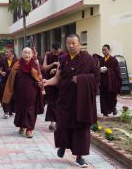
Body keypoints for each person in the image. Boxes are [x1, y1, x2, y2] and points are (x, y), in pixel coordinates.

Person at [43, 34, 99, 167]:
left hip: (82, 101)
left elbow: (96, 78)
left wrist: (82, 79)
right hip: (65, 98)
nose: (71, 45)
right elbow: (57, 78)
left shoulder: (89, 59)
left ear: (80, 44)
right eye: (68, 43)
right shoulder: (62, 59)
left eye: (74, 43)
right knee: (62, 124)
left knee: (80, 128)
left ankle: (79, 157)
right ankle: (63, 144)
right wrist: (47, 82)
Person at [2, 47, 44, 138]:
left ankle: (29, 129)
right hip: (19, 92)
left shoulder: (35, 64)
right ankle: (21, 125)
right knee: (20, 108)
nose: (27, 55)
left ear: (32, 54)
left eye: (29, 53)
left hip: (32, 91)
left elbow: (40, 76)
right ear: (21, 54)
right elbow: (11, 79)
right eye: (25, 53)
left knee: (30, 110)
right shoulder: (17, 64)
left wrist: (36, 74)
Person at [42, 42, 61, 131]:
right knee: (51, 102)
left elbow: (64, 67)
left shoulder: (64, 55)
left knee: (60, 102)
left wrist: (57, 68)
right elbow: (44, 67)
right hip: (49, 81)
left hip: (60, 83)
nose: (55, 54)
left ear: (60, 50)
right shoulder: (48, 55)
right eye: (53, 52)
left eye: (56, 52)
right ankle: (52, 122)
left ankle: (59, 122)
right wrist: (53, 63)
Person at [99, 44, 122, 117]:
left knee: (111, 96)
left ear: (109, 50)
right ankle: (105, 112)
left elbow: (117, 71)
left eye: (105, 50)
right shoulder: (101, 60)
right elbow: (98, 68)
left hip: (111, 82)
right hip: (103, 81)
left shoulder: (114, 60)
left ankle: (113, 108)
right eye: (102, 50)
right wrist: (100, 70)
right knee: (103, 97)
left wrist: (108, 70)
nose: (103, 51)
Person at [0, 49, 18, 118]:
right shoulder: (3, 60)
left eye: (8, 52)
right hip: (5, 81)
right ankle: (6, 112)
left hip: (14, 81)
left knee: (13, 97)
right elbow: (0, 70)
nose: (6, 53)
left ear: (12, 54)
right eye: (6, 52)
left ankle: (11, 111)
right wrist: (1, 73)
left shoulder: (16, 61)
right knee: (5, 96)